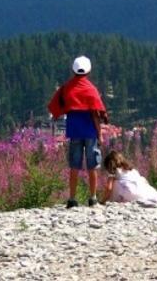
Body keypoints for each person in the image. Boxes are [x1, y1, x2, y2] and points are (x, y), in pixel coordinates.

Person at [48, 55, 108, 208]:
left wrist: (57, 115)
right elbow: (96, 113)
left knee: (74, 165)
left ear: (73, 69)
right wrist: (99, 133)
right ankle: (93, 198)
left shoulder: (67, 88)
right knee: (92, 164)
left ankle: (72, 199)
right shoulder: (91, 89)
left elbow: (56, 104)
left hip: (74, 130)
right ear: (88, 70)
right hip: (90, 131)